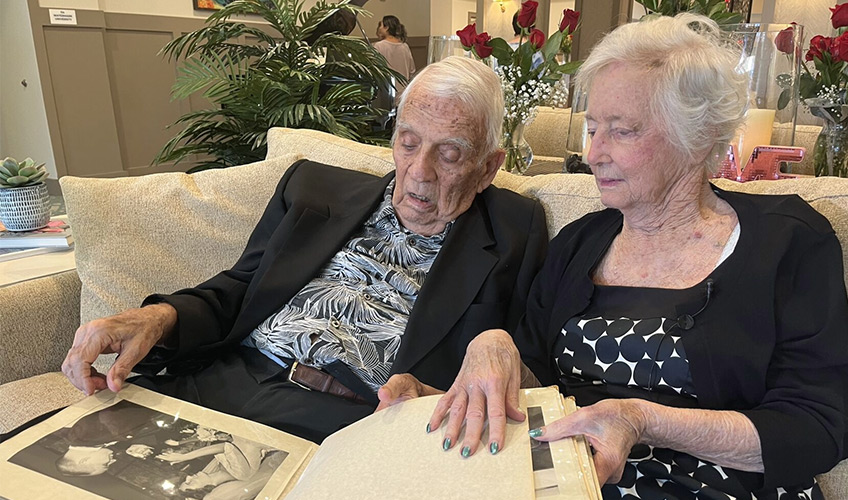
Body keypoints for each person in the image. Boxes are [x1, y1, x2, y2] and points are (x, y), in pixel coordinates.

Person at [378, 14, 848, 499]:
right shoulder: (581, 243)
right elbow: (534, 392)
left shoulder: (787, 241)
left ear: (698, 136)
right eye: (593, 128)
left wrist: (642, 420)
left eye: (621, 132)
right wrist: (481, 362)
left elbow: (819, 429)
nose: (594, 153)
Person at [60, 55, 549, 444]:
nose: (419, 171)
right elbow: (239, 289)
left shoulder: (514, 229)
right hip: (226, 378)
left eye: (449, 154)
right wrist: (157, 318)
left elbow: (531, 363)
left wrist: (487, 356)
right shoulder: (315, 189)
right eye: (408, 142)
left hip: (353, 423)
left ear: (487, 168)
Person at [373, 15, 416, 95]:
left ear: (387, 27)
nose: (379, 28)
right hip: (403, 92)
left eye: (381, 25)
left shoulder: (379, 46)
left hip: (385, 92)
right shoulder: (405, 46)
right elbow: (412, 70)